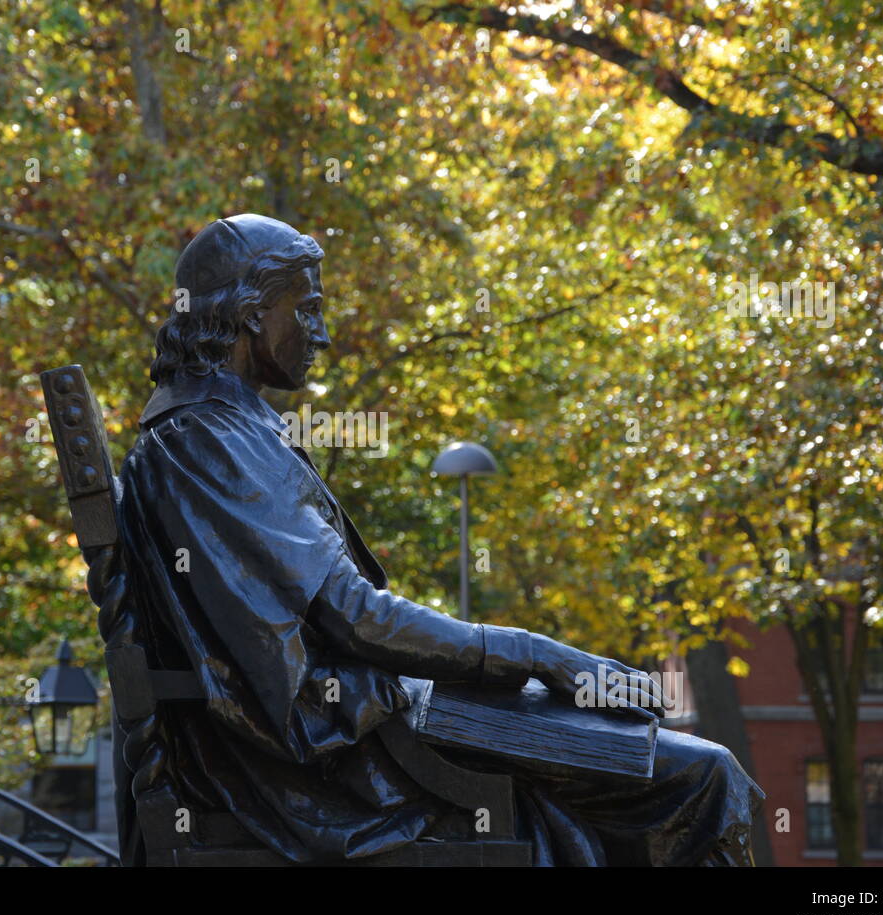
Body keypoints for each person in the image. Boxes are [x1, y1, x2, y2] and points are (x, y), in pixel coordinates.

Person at [109, 213, 764, 865]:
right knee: (703, 779)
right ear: (253, 313)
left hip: (353, 728)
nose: (323, 334)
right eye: (305, 311)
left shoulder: (212, 432)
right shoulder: (211, 442)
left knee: (638, 747)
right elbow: (358, 618)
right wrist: (543, 657)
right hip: (337, 756)